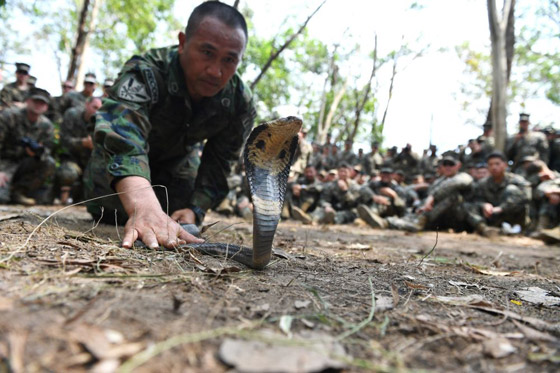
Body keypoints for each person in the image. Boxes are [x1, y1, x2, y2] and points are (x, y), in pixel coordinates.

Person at [84, 1, 256, 249]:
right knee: (108, 212)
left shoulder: (239, 101)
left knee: (178, 216)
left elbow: (220, 164)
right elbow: (122, 137)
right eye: (207, 52)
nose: (216, 71)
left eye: (229, 60)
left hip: (177, 168)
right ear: (183, 42)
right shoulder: (146, 71)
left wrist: (195, 211)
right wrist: (142, 204)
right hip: (124, 169)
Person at [0, 88, 56, 205]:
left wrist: (37, 153)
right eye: (36, 101)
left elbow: (48, 150)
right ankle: (7, 190)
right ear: (27, 101)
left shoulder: (47, 126)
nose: (38, 105)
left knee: (49, 162)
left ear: (46, 107)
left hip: (26, 163)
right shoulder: (9, 116)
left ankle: (19, 191)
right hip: (5, 162)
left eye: (43, 103)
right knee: (1, 198)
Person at [465, 152, 531, 236]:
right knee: (467, 205)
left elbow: (526, 197)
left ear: (505, 165)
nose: (494, 167)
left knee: (511, 189)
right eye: (490, 164)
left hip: (513, 219)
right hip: (492, 218)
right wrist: (484, 205)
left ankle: (515, 230)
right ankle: (484, 229)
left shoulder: (517, 180)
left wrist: (501, 208)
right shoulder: (483, 183)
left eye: (497, 164)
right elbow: (475, 199)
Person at [55, 96, 103, 204]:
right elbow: (63, 141)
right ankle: (63, 198)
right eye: (94, 107)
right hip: (72, 159)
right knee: (68, 172)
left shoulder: (102, 122)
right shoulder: (72, 115)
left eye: (99, 109)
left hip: (91, 163)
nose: (96, 111)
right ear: (86, 105)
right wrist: (82, 143)